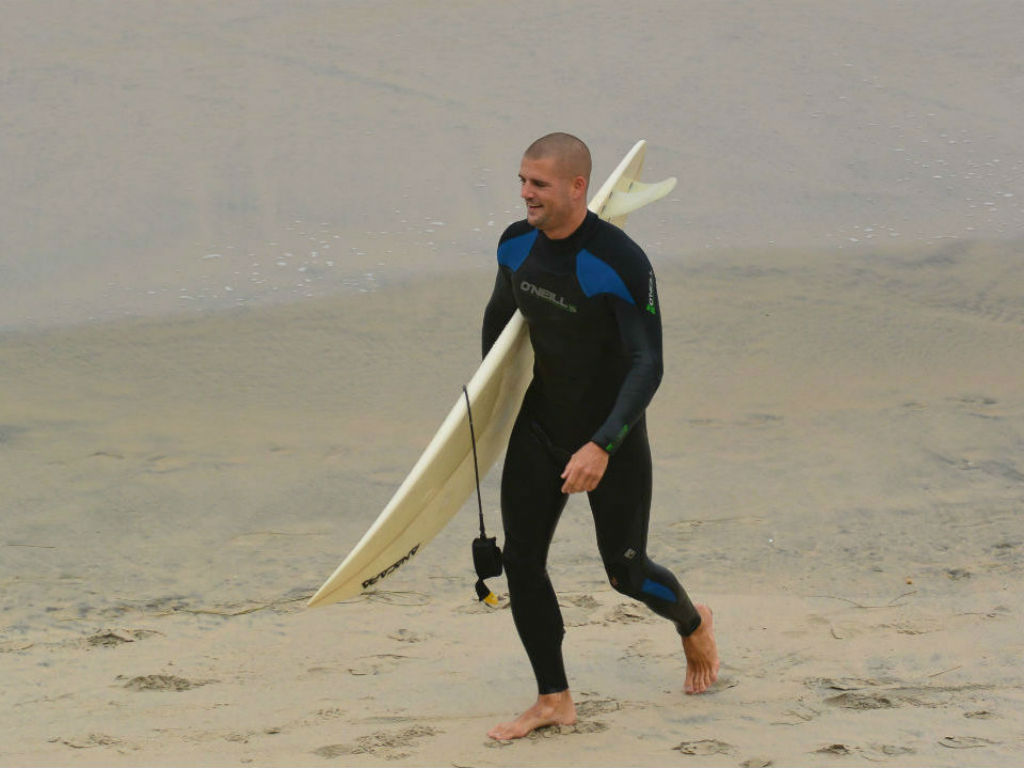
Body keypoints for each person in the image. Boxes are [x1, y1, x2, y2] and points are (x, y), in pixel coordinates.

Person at [480, 133, 720, 740]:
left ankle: (692, 623)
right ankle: (553, 699)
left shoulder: (621, 262)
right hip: (541, 425)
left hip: (610, 432)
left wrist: (602, 445)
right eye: (523, 180)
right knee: (521, 561)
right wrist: (487, 410)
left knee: (626, 573)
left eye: (538, 183)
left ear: (577, 186)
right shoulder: (515, 245)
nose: (525, 193)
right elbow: (500, 326)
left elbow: (648, 365)